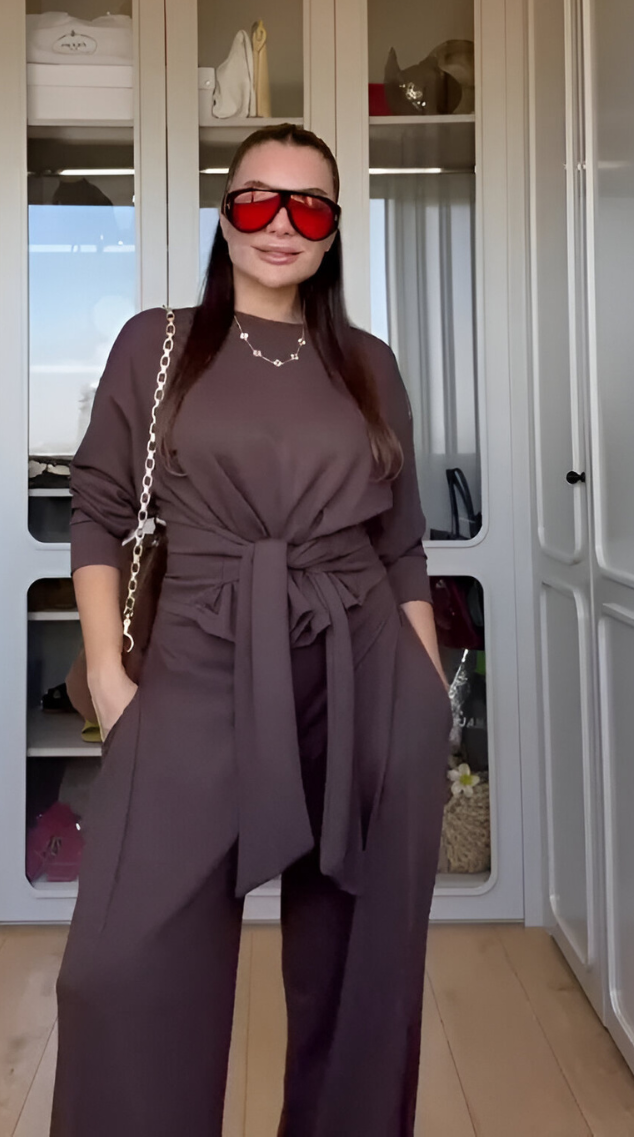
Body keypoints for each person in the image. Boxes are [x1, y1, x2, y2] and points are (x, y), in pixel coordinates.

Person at [49, 123, 453, 1137]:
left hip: (364, 664)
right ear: (225, 218)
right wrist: (108, 679)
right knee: (120, 969)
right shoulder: (157, 344)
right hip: (199, 655)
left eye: (307, 208)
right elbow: (99, 511)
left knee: (362, 966)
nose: (281, 225)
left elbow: (402, 544)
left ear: (331, 234)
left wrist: (425, 698)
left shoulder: (368, 364)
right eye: (258, 201)